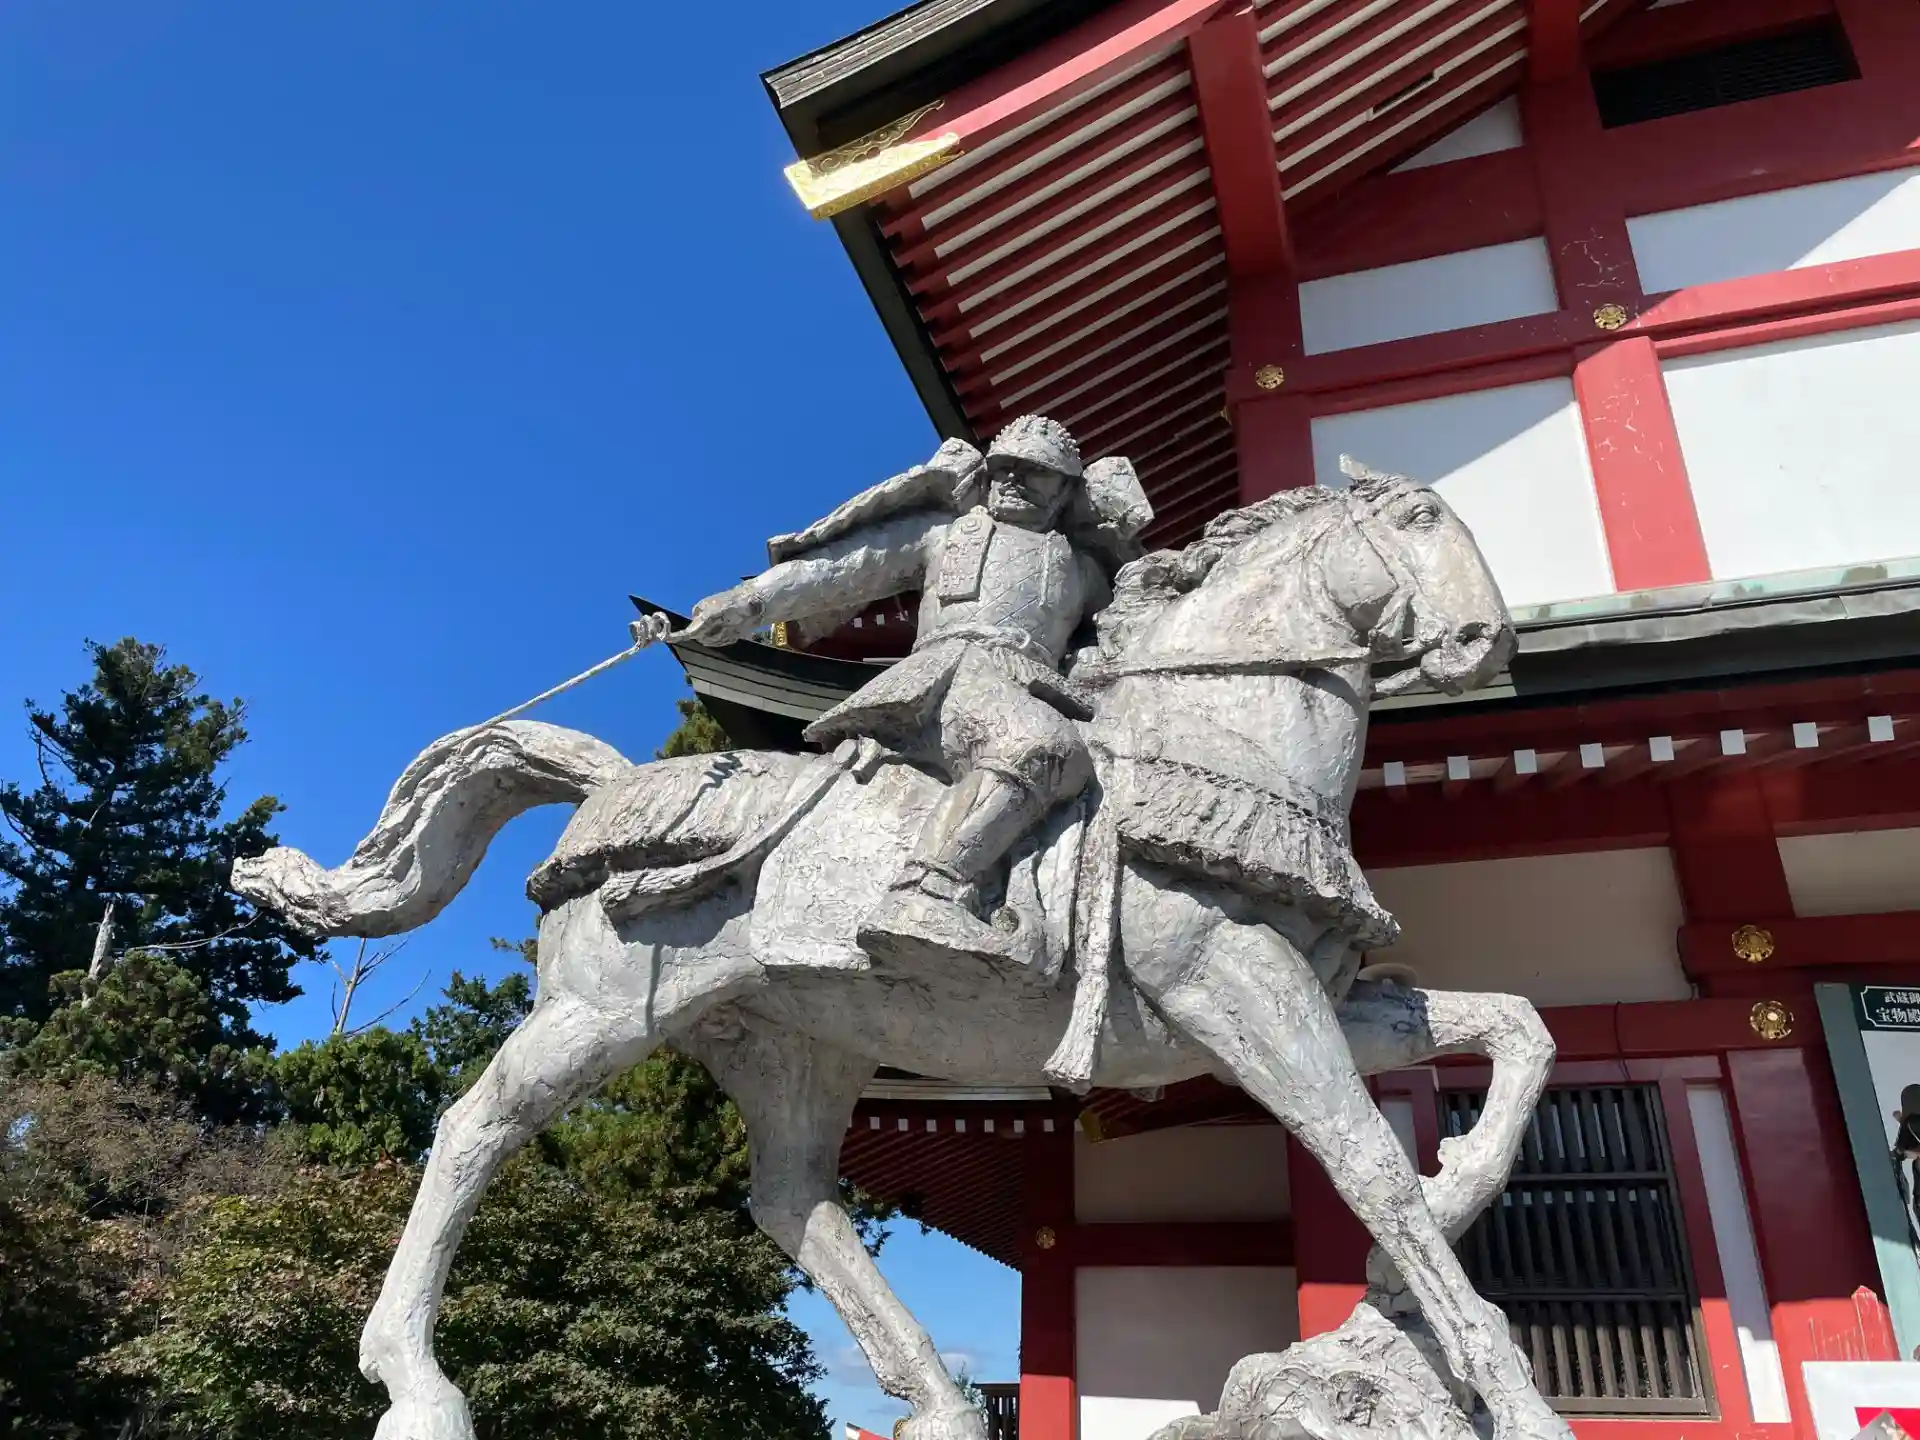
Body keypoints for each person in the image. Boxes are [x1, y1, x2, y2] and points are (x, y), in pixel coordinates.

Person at [680, 415, 1146, 966]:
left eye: (1035, 472)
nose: (1014, 479)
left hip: (1037, 686)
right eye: (1004, 467)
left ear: (1065, 490)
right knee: (1039, 748)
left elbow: (1126, 631)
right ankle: (926, 892)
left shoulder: (1085, 571)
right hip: (953, 674)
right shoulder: (946, 533)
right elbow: (845, 568)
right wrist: (748, 603)